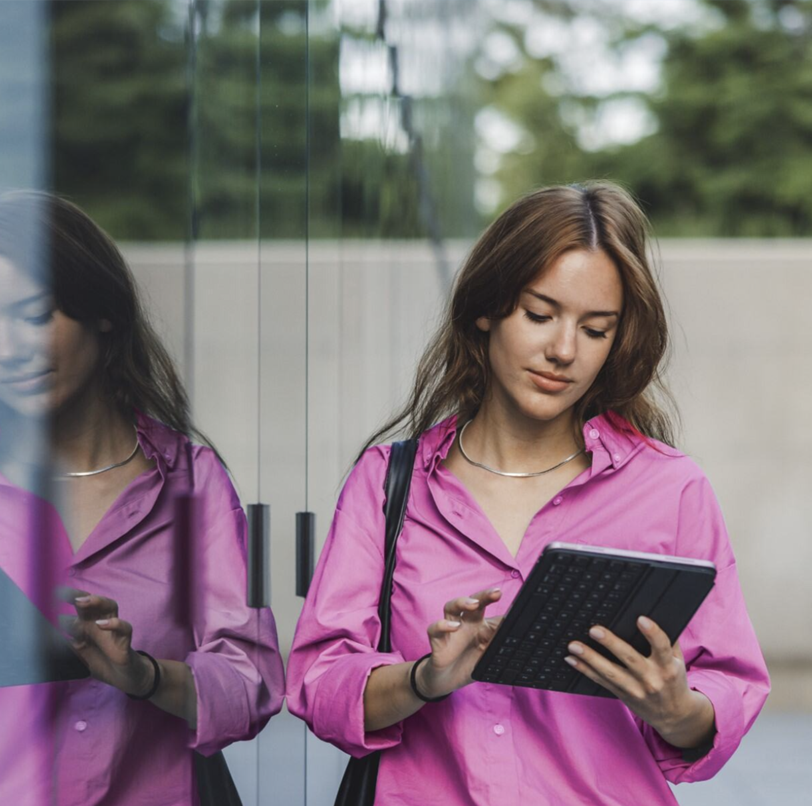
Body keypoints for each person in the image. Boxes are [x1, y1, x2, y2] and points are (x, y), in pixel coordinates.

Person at [286, 182, 770, 805]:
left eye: (595, 330)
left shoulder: (670, 488)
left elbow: (728, 687)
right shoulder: (388, 483)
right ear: (487, 308)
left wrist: (676, 709)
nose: (563, 351)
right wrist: (425, 678)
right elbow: (319, 684)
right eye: (539, 316)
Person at [0, 191, 284, 805]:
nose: (5, 349)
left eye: (32, 315)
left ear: (101, 312)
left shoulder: (194, 482)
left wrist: (144, 674)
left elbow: (255, 684)